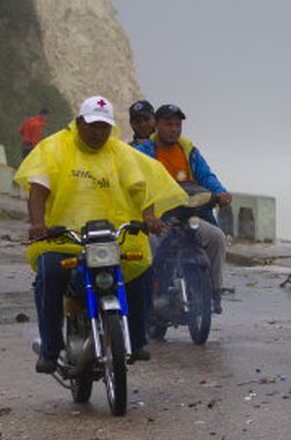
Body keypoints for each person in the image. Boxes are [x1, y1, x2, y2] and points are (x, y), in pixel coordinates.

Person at [14, 96, 188, 374]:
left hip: (112, 236)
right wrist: (38, 223)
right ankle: (50, 347)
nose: (99, 133)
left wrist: (149, 217)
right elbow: (38, 190)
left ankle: (138, 338)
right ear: (80, 122)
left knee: (141, 265)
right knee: (49, 273)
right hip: (65, 237)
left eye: (104, 127)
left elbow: (141, 187)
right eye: (93, 126)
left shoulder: (121, 152)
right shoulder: (54, 148)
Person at [135, 104, 232, 314]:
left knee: (216, 237)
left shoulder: (188, 151)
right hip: (158, 217)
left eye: (178, 125)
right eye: (168, 124)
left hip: (189, 214)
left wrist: (220, 192)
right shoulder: (142, 153)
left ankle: (215, 290)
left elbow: (206, 176)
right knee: (150, 244)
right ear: (156, 125)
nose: (174, 129)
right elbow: (135, 182)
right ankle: (149, 294)